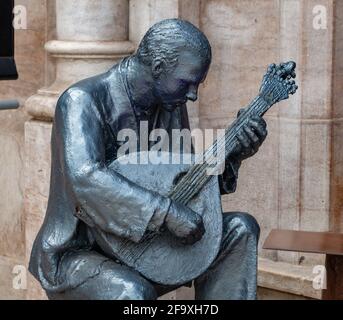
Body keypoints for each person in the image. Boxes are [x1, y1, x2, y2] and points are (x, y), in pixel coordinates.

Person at [29, 18, 267, 300]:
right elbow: (86, 179)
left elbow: (187, 182)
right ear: (157, 68)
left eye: (198, 85)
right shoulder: (81, 101)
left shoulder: (169, 102)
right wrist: (165, 214)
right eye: (187, 83)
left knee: (240, 230)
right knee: (132, 294)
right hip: (80, 252)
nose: (192, 95)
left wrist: (233, 155)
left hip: (151, 246)